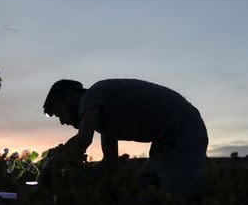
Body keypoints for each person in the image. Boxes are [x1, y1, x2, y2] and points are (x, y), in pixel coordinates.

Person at [41, 78, 208, 194]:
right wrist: (78, 178)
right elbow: (110, 164)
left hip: (184, 131)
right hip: (169, 138)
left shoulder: (91, 96)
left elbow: (83, 139)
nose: (63, 122)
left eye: (60, 113)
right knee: (145, 190)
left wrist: (53, 163)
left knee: (174, 201)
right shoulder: (105, 114)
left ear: (70, 97)